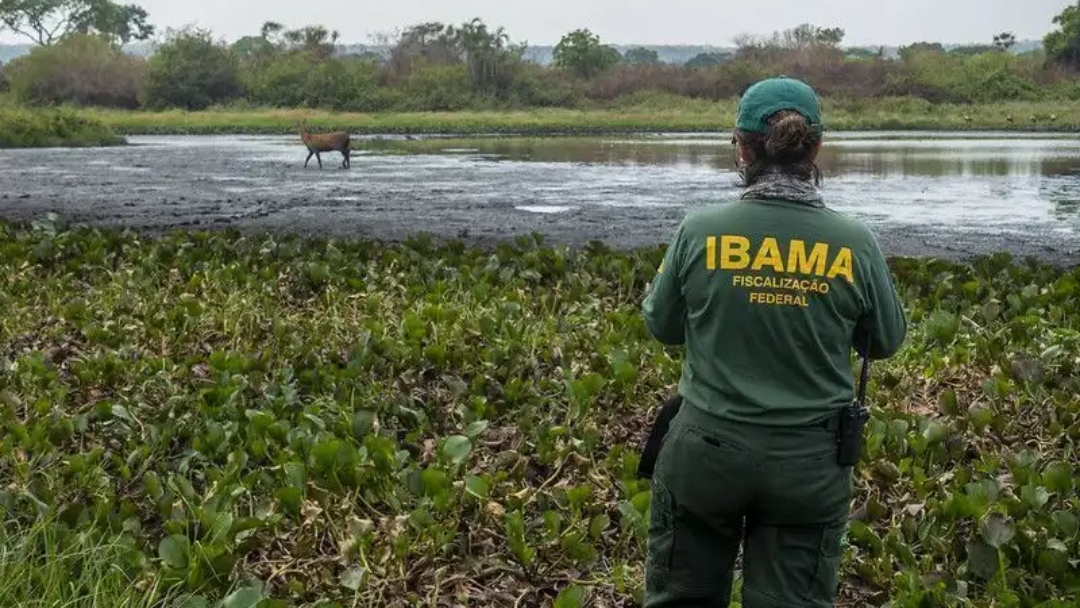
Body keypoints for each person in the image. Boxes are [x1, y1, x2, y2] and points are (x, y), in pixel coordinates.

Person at [639, 76, 908, 607]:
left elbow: (663, 326)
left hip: (705, 455)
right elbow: (885, 341)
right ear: (816, 149)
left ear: (741, 148)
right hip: (809, 465)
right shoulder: (854, 242)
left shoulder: (699, 231)